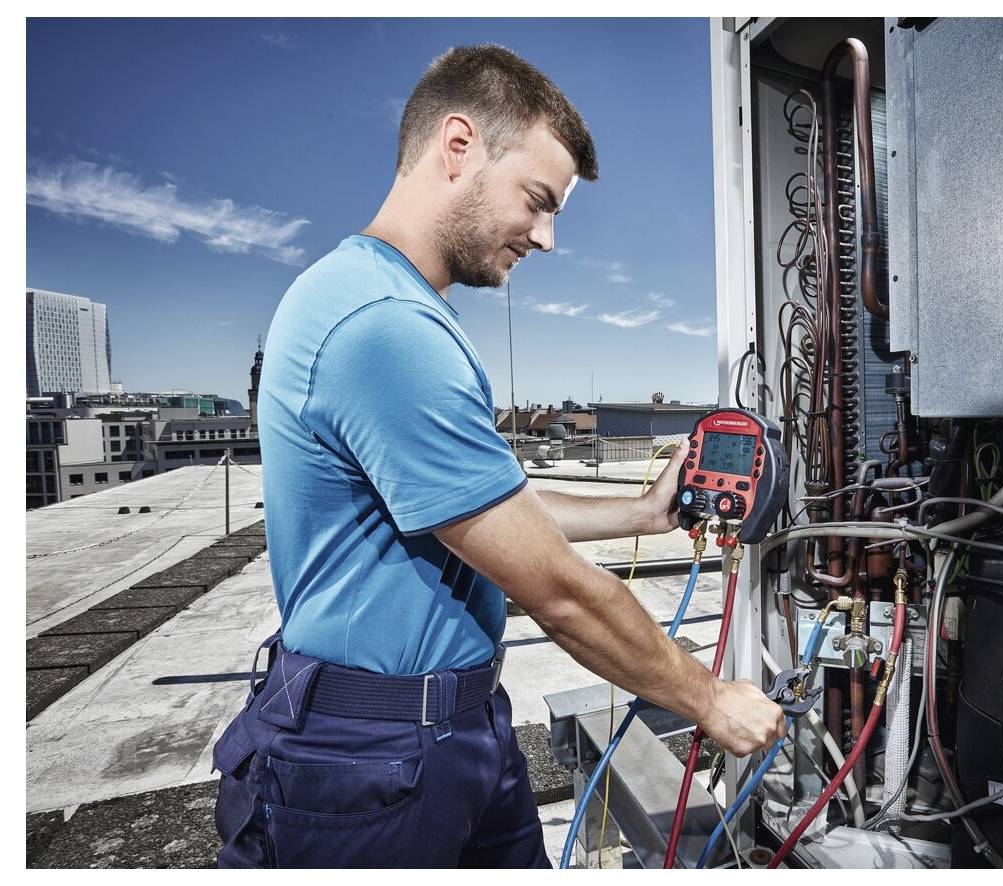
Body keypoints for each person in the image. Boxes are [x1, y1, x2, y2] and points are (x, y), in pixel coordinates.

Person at [211, 44, 785, 869]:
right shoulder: (384, 327)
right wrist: (709, 698)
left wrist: (639, 513)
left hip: (448, 730)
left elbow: (481, 507)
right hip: (370, 760)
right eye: (538, 201)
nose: (546, 238)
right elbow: (557, 593)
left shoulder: (375, 300)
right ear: (459, 146)